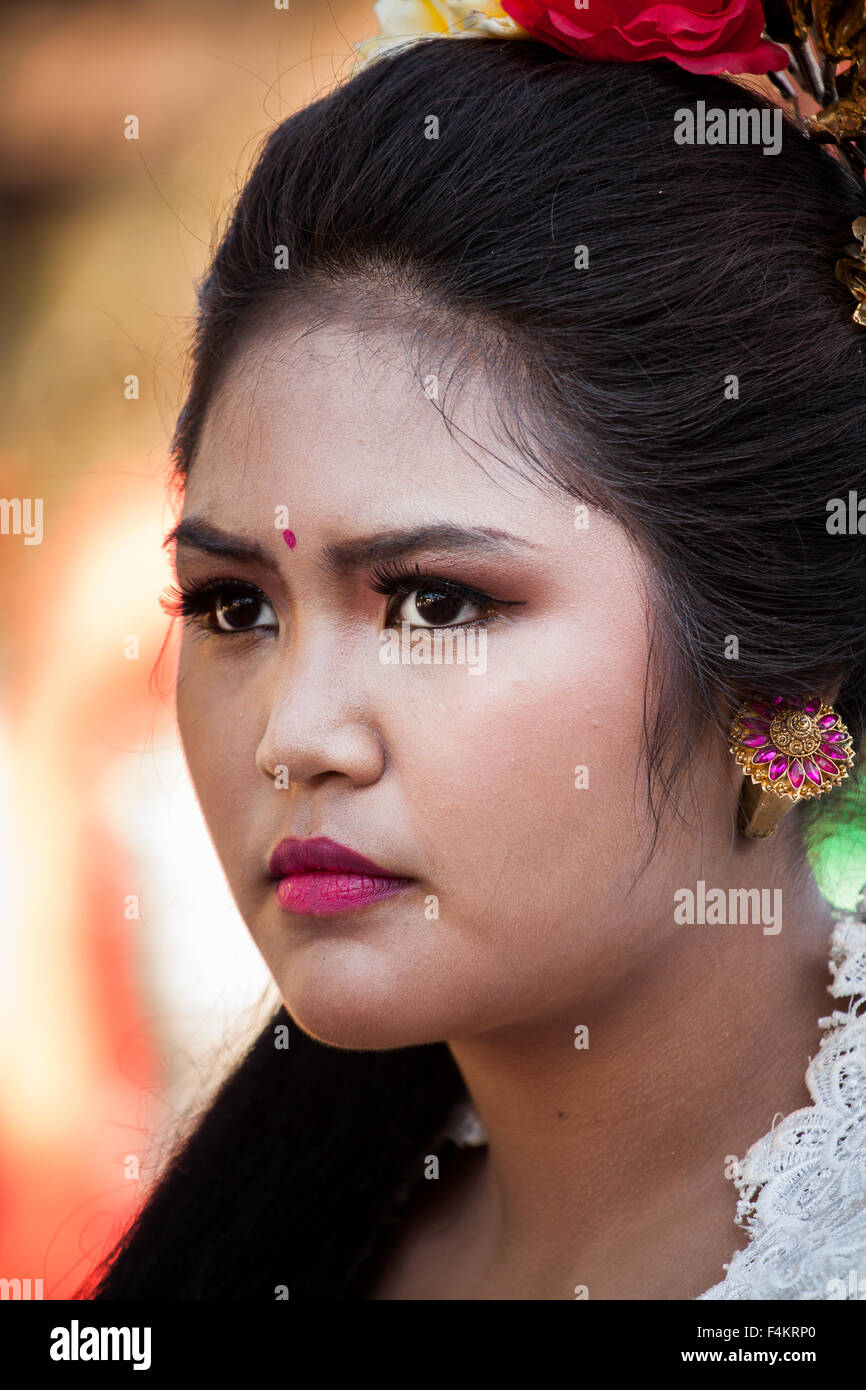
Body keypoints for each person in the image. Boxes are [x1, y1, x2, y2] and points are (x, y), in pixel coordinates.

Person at [84, 7, 866, 1300]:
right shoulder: (277, 1235)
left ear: (773, 653)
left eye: (436, 603)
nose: (294, 735)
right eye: (232, 605)